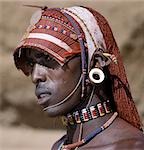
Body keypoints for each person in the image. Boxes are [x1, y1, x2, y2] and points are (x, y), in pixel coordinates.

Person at [13, 6, 144, 150]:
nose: (36, 76)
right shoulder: (60, 146)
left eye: (48, 58)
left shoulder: (131, 146)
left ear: (96, 63)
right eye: (31, 64)